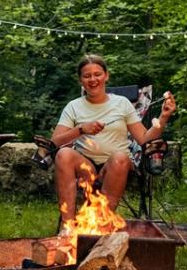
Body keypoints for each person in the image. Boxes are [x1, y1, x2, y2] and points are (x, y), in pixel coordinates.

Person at [52, 55, 176, 229]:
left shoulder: (122, 104)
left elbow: (144, 139)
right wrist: (81, 129)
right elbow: (54, 143)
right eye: (87, 76)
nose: (93, 79)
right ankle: (68, 228)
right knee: (64, 154)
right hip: (86, 168)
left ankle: (101, 226)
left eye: (97, 74)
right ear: (81, 80)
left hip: (117, 166)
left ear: (106, 76)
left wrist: (163, 117)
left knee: (120, 157)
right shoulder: (73, 106)